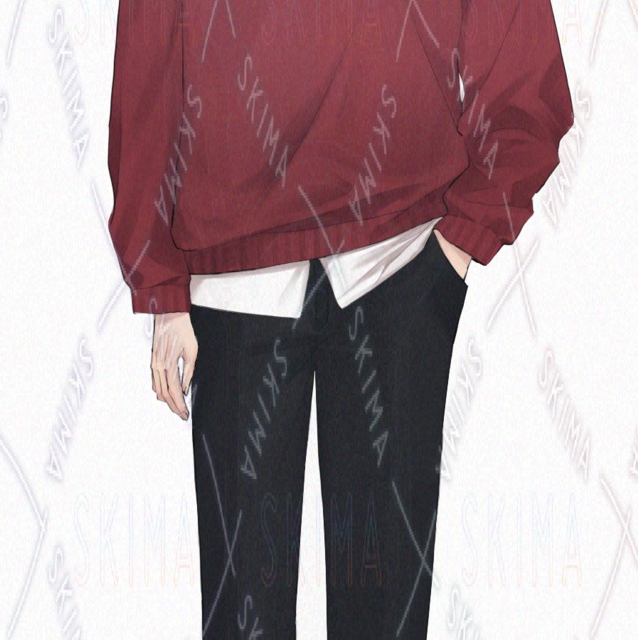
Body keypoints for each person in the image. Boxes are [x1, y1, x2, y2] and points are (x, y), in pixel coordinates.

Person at [107, 0, 573, 637]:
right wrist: (159, 284)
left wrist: (463, 238)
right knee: (245, 610)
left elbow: (516, 43)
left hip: (398, 257)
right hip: (238, 277)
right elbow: (148, 55)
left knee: (384, 606)